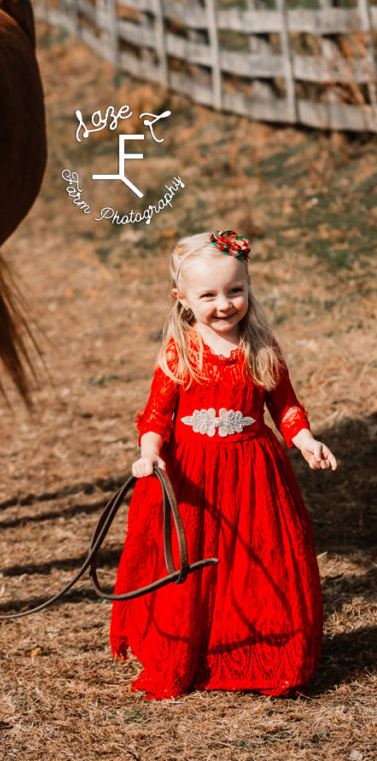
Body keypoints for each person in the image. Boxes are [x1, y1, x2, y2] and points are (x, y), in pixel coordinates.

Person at [110, 229, 337, 699]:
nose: (225, 304)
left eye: (236, 290)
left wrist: (306, 439)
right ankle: (192, 649)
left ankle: (258, 649)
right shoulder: (181, 350)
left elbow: (286, 406)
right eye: (209, 295)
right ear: (183, 298)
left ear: (249, 287)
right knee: (193, 564)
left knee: (256, 561)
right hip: (193, 475)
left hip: (253, 473)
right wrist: (149, 453)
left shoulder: (260, 346)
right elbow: (156, 413)